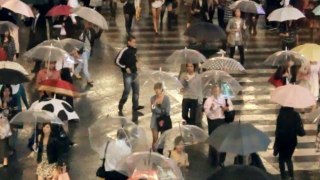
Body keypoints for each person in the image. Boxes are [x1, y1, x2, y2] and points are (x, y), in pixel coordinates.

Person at [204, 85, 233, 167]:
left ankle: (222, 160)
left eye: (218, 90)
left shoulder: (225, 98)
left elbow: (231, 107)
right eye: (215, 90)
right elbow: (207, 113)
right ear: (212, 91)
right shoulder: (209, 100)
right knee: (213, 142)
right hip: (213, 122)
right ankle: (213, 159)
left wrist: (226, 109)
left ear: (220, 91)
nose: (216, 92)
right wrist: (211, 109)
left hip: (222, 121)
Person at [116, 35, 144, 117]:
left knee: (136, 91)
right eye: (134, 42)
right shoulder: (124, 50)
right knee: (127, 91)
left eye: (135, 41)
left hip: (135, 73)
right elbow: (117, 61)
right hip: (127, 75)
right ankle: (121, 104)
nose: (135, 43)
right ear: (129, 42)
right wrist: (125, 67)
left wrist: (137, 62)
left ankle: (135, 107)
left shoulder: (135, 50)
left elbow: (135, 58)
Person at [274, 106, 305, 180]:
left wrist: (276, 143)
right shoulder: (296, 115)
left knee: (281, 158)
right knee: (288, 158)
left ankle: (283, 176)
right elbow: (300, 131)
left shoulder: (280, 115)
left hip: (281, 140)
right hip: (292, 141)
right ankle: (291, 176)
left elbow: (277, 130)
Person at [26, 6, 50, 73]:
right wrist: (23, 19)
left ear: (37, 10)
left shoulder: (42, 18)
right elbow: (27, 24)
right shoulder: (32, 18)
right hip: (34, 39)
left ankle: (37, 68)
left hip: (40, 39)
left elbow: (44, 30)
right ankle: (37, 68)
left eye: (33, 10)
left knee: (39, 54)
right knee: (36, 54)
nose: (32, 12)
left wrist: (44, 40)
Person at [150, 82, 171, 150]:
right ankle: (153, 154)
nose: (157, 91)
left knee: (163, 140)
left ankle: (161, 153)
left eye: (158, 89)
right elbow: (152, 109)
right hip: (155, 120)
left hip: (164, 120)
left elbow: (167, 111)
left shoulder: (166, 98)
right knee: (155, 139)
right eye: (155, 89)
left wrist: (158, 110)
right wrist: (154, 103)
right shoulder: (153, 98)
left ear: (162, 89)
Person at [74, 21, 94, 87]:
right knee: (85, 67)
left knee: (82, 63)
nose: (89, 25)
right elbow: (79, 43)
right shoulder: (81, 33)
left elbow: (94, 37)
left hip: (88, 50)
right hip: (84, 51)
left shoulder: (90, 31)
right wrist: (77, 52)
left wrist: (100, 31)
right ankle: (89, 79)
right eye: (87, 23)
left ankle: (76, 71)